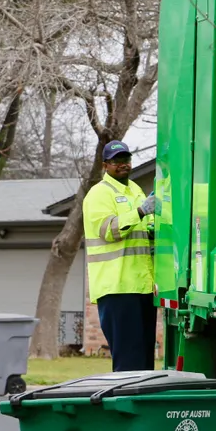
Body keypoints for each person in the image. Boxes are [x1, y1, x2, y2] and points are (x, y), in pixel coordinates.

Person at [83, 140, 157, 372]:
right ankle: (127, 405)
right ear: (105, 165)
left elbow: (145, 230)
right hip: (116, 289)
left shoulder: (135, 190)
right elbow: (109, 230)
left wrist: (154, 225)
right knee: (129, 359)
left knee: (144, 359)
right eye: (117, 161)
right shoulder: (98, 194)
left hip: (141, 287)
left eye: (126, 159)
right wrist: (141, 211)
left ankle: (142, 403)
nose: (123, 164)